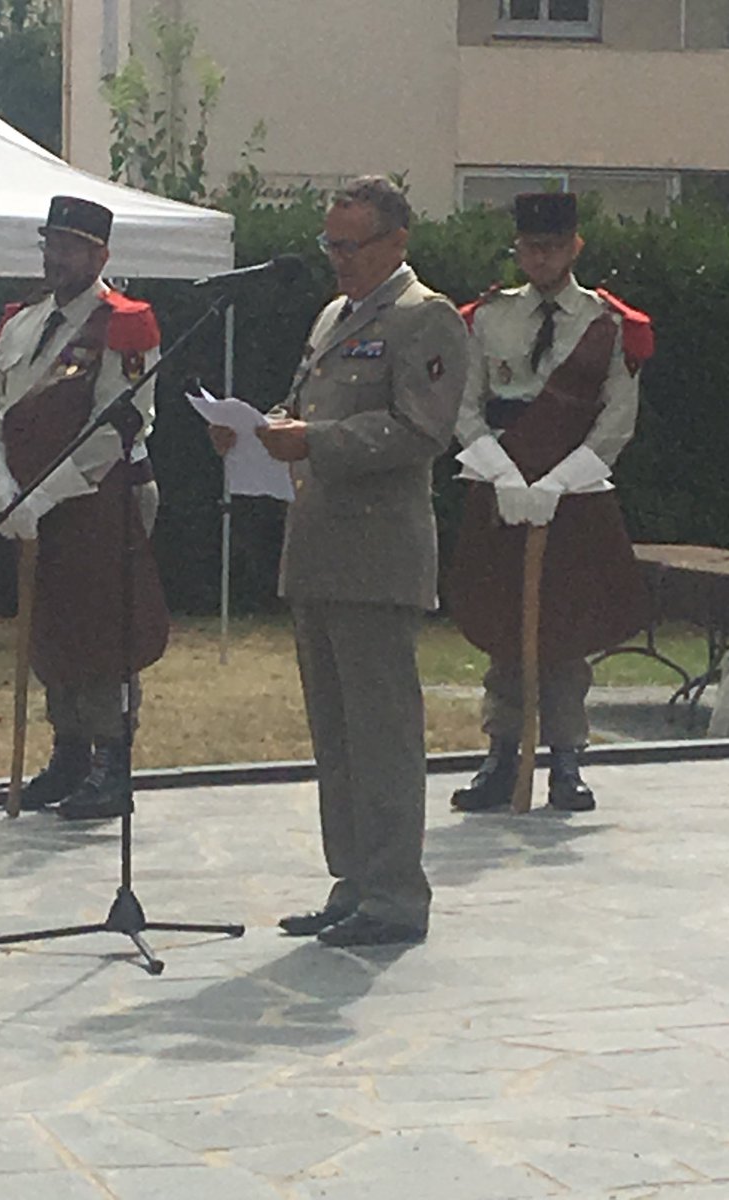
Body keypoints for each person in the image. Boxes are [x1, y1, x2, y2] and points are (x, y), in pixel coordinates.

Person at [209, 176, 467, 946]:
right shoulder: (334, 316)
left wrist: (313, 441)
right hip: (319, 548)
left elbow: (422, 430)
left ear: (397, 241)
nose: (338, 259)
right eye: (330, 244)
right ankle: (353, 881)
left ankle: (394, 897)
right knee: (337, 732)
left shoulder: (425, 317)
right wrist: (257, 431)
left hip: (378, 555)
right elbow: (307, 411)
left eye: (352, 245)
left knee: (382, 733)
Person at [448, 192, 653, 814]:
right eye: (531, 247)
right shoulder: (485, 319)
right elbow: (463, 405)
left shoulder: (609, 324)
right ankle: (500, 755)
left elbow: (617, 419)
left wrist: (561, 481)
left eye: (554, 247)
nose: (541, 258)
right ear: (518, 249)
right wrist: (501, 472)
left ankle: (566, 759)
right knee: (502, 624)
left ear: (575, 247)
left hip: (576, 493)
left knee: (567, 628)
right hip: (500, 486)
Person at [0, 195, 169, 821]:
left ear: (100, 256)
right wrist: (1, 488)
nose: (56, 257)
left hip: (98, 498)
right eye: (51, 244)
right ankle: (69, 755)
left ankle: (112, 760)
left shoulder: (123, 324)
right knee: (52, 625)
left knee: (103, 628)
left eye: (70, 247)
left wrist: (41, 496)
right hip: (27, 503)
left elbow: (116, 430)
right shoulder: (22, 323)